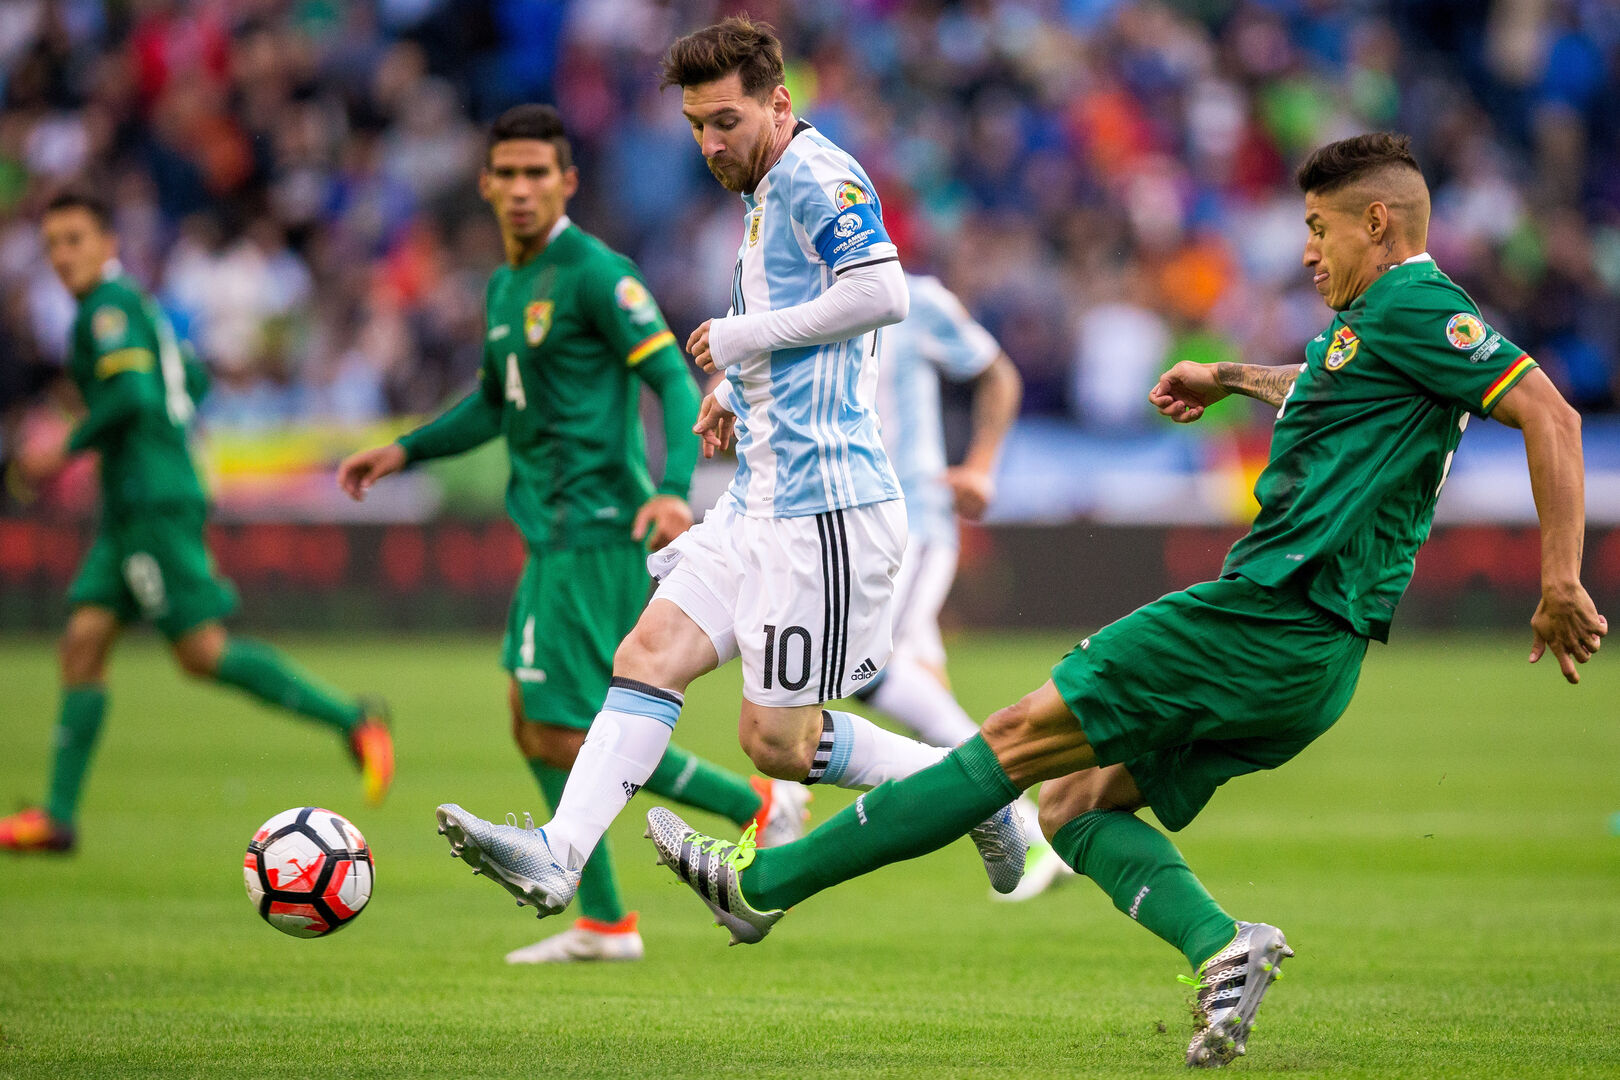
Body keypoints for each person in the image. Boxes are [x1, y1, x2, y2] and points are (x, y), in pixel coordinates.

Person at [644, 132, 1607, 1067]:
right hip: (1318, 662)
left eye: (1320, 229)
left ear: (1380, 223)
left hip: (1265, 616)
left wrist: (1559, 578)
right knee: (1071, 802)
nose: (1307, 252)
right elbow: (1327, 380)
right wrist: (1227, 377)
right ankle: (1223, 947)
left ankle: (760, 886)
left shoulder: (1420, 307)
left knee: (1016, 739)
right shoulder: (1375, 330)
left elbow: (1549, 412)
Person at [431, 17, 1027, 922]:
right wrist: (737, 395)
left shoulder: (817, 175)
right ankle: (560, 853)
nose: (710, 144)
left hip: (828, 512)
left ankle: (974, 787)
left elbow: (882, 294)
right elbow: (809, 338)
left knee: (777, 744)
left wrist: (740, 336)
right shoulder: (762, 194)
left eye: (725, 121)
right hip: (760, 501)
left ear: (778, 104)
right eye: (696, 126)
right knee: (648, 653)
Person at [338, 104, 802, 964]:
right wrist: (403, 452)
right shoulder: (506, 286)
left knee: (564, 725)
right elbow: (493, 399)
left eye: (536, 174)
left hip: (598, 530)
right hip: (548, 533)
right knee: (532, 718)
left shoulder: (593, 273)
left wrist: (670, 492)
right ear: (484, 184)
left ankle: (755, 809)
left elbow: (670, 374)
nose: (519, 190)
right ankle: (607, 921)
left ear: (567, 183)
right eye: (505, 175)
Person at [0, 192, 395, 855]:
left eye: (76, 240)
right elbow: (189, 382)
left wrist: (58, 449)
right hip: (134, 502)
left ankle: (353, 720)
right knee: (83, 640)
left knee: (201, 652)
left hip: (151, 501)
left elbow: (132, 394)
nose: (64, 256)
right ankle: (58, 818)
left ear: (108, 245)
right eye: (54, 245)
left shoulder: (106, 310)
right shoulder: (136, 310)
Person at [852, 273, 1069, 900]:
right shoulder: (796, 301)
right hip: (844, 525)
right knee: (922, 693)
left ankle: (1020, 820)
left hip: (911, 518)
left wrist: (980, 466)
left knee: (864, 667)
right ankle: (1036, 824)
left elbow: (999, 374)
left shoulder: (916, 299)